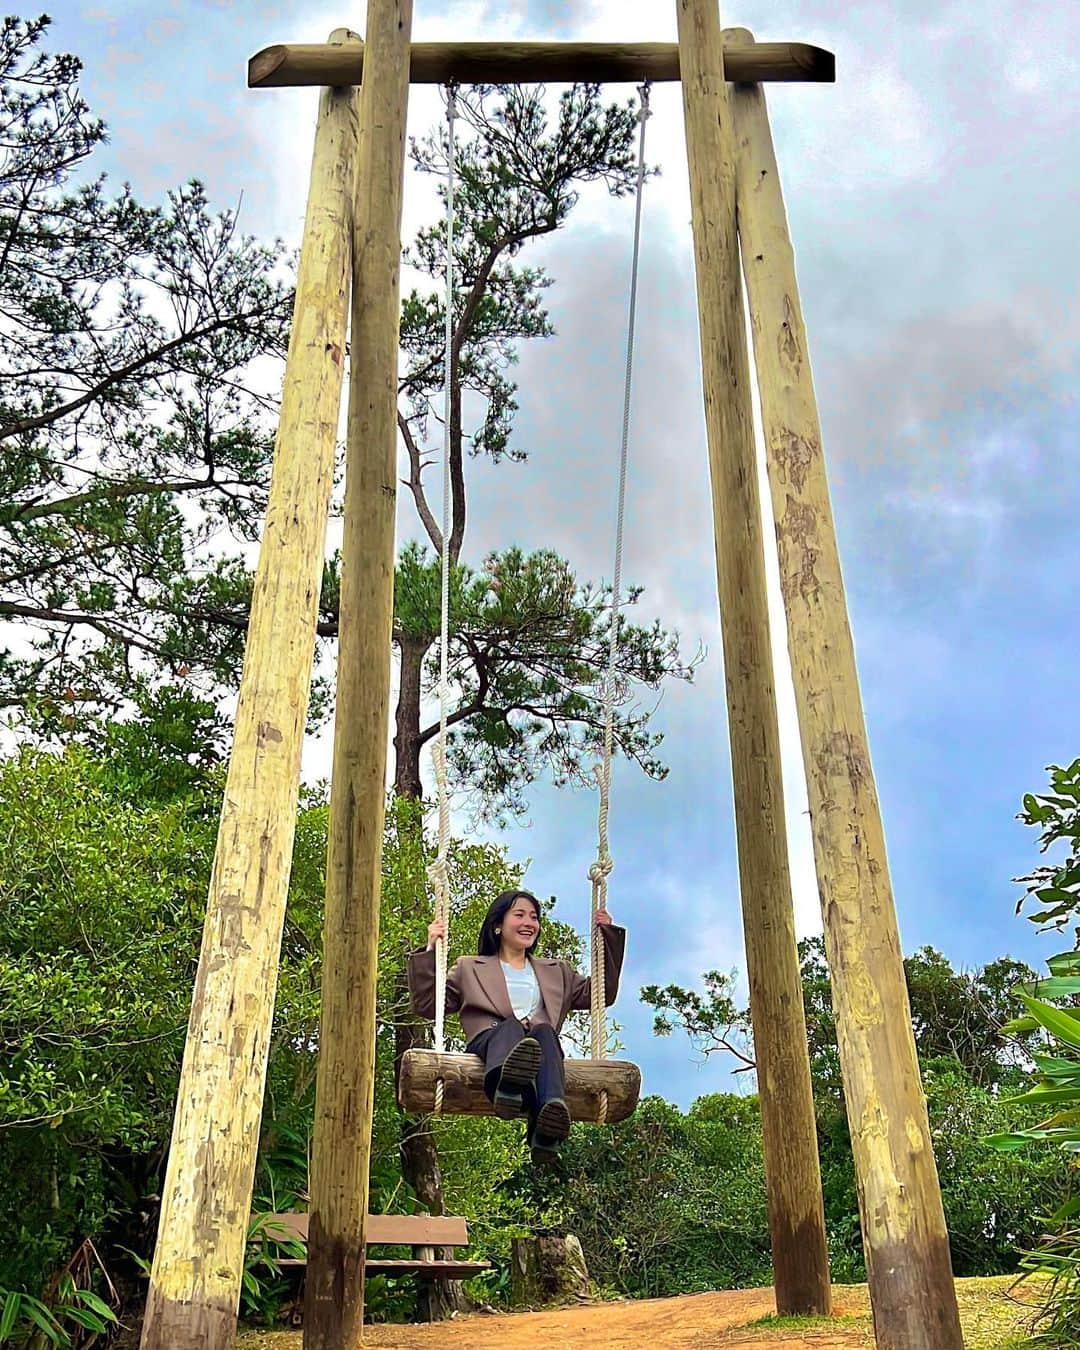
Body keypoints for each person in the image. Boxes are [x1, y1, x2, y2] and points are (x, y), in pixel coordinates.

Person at [407, 889, 625, 1163]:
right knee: (510, 1027)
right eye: (519, 915)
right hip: (490, 1042)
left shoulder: (557, 971)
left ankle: (547, 1123)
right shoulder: (469, 968)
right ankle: (505, 1085)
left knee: (544, 1033)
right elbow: (428, 1004)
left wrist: (608, 939)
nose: (529, 923)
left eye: (534, 917)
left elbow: (601, 994)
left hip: (539, 1050)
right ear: (498, 925)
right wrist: (430, 950)